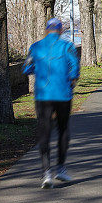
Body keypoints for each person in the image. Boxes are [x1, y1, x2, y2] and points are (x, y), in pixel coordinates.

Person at [23, 17, 80, 189]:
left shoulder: (36, 47)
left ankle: (46, 173)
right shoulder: (68, 46)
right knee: (63, 129)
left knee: (44, 131)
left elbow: (26, 68)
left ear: (47, 30)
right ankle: (61, 168)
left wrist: (38, 69)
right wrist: (71, 80)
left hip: (43, 95)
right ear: (61, 30)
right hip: (63, 94)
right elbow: (75, 67)